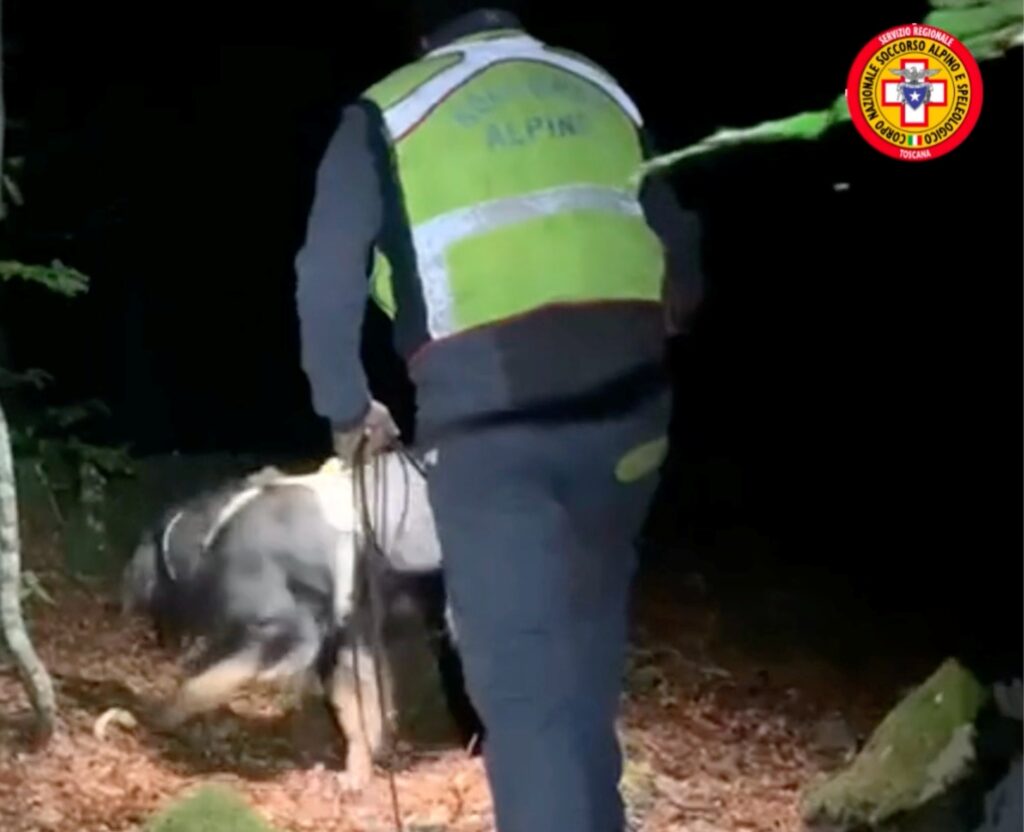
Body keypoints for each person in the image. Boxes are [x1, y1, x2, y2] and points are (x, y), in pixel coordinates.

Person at [293, 3, 704, 829]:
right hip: (629, 418)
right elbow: (681, 255)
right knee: (583, 659)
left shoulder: (388, 112)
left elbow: (325, 279)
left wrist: (347, 409)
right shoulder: (595, 87)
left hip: (492, 426)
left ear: (421, 32)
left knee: (523, 690)